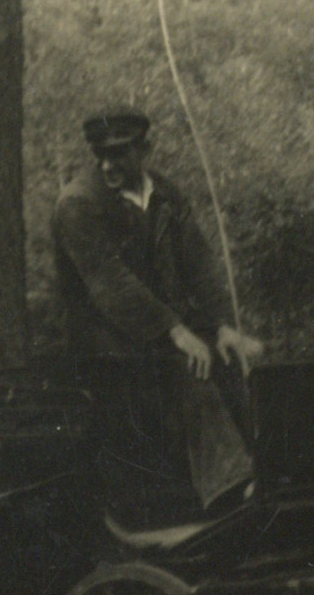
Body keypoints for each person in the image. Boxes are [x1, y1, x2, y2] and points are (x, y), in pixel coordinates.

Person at [52, 108, 263, 531]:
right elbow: (112, 285)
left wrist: (224, 326)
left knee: (240, 360)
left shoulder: (166, 195)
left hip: (161, 332)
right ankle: (228, 495)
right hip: (107, 346)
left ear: (145, 149)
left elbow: (199, 265)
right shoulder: (78, 204)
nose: (108, 165)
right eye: (101, 155)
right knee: (191, 368)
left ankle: (265, 472)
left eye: (119, 153)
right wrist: (176, 331)